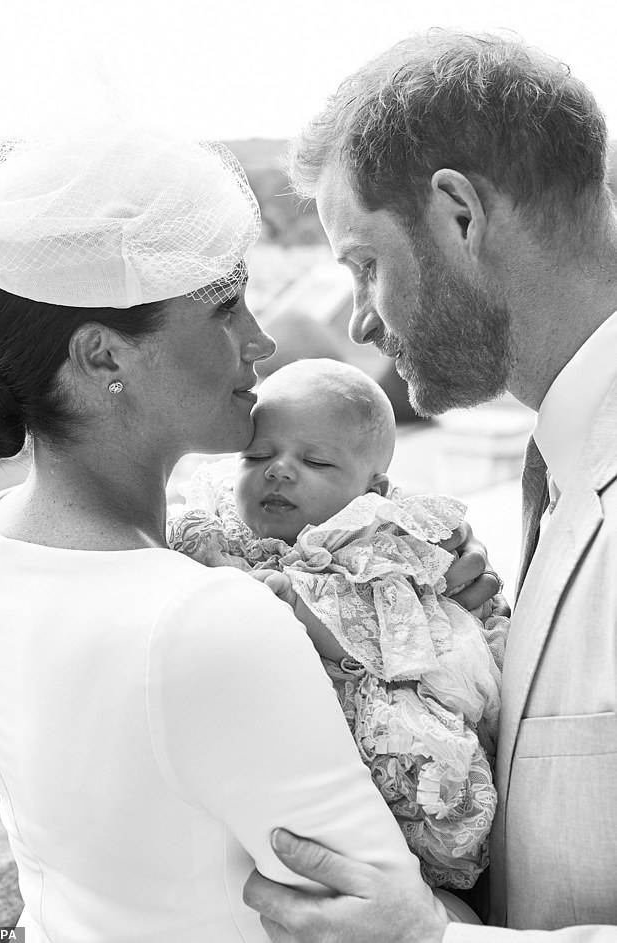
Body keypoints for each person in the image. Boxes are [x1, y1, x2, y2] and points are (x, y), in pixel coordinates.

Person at [0, 125, 496, 942]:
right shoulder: (214, 615)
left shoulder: (1, 540)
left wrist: (408, 579)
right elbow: (394, 918)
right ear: (101, 355)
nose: (260, 340)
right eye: (226, 310)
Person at [242, 29, 617, 942]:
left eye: (364, 264)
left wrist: (433, 939)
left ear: (458, 214)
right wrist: (477, 659)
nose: (361, 320)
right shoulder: (559, 472)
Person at [168, 357, 509, 892]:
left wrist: (286, 603)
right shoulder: (217, 524)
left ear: (373, 488)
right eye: (257, 455)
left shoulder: (371, 545)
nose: (279, 470)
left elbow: (374, 634)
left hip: (375, 708)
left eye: (318, 462)